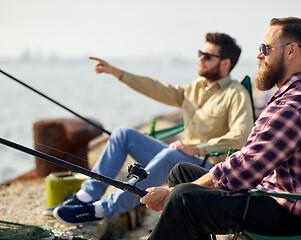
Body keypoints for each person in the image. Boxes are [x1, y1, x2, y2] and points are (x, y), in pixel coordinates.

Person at [140, 17, 301, 240]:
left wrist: (167, 193)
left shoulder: (293, 106)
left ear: (291, 51)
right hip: (276, 198)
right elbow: (250, 161)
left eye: (265, 48)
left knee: (181, 198)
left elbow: (246, 168)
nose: (258, 55)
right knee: (181, 173)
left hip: (289, 215)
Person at [51, 32, 254, 225]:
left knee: (171, 155)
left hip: (209, 170)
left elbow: (240, 137)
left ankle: (103, 210)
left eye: (207, 56)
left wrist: (198, 149)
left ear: (225, 63)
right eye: (200, 53)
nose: (200, 58)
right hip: (180, 157)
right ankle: (85, 197)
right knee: (123, 134)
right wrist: (117, 72)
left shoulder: (236, 94)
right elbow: (157, 88)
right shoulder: (195, 88)